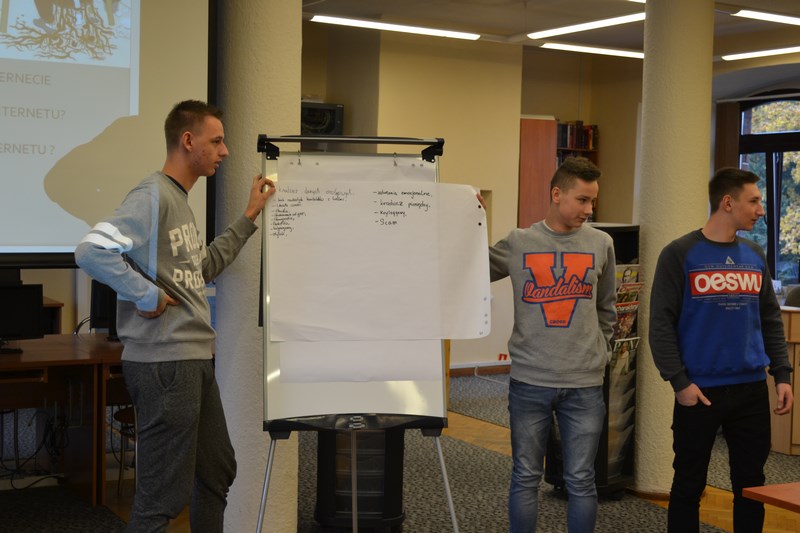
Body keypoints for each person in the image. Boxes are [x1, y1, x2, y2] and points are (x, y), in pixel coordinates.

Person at [75, 99, 276, 532]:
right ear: (188, 141)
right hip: (166, 364)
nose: (225, 151)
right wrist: (145, 294)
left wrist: (248, 217)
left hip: (193, 359)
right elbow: (90, 251)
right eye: (216, 141)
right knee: (161, 499)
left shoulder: (179, 201)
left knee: (217, 471)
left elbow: (199, 270)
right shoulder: (152, 195)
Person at [649, 167, 793, 533]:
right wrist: (679, 383)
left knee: (751, 485)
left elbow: (770, 320)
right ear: (727, 202)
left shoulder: (754, 254)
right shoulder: (679, 253)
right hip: (699, 392)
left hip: (750, 391)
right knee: (688, 484)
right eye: (754, 201)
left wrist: (782, 374)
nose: (761, 210)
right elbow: (660, 325)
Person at [482, 156, 617, 532]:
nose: (589, 210)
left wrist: (602, 352)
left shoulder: (601, 243)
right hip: (530, 380)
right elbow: (473, 268)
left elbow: (607, 307)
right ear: (557, 194)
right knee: (525, 476)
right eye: (582, 200)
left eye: (592, 201)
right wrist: (470, 219)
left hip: (585, 382)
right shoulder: (519, 242)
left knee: (581, 479)